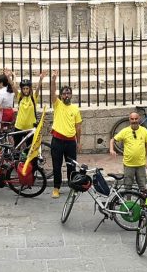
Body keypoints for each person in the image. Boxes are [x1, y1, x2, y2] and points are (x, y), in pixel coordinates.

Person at [49, 70, 82, 198]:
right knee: (56, 166)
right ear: (61, 96)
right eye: (64, 93)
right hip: (57, 141)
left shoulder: (75, 109)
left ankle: (72, 186)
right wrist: (53, 80)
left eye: (68, 93)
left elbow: (78, 127)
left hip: (70, 142)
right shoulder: (57, 104)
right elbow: (52, 93)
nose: (66, 95)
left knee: (71, 166)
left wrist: (78, 143)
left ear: (71, 95)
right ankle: (56, 188)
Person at [109, 111, 147, 192]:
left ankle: (142, 205)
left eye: (136, 119)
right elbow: (112, 140)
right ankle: (128, 204)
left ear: (139, 119)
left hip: (141, 164)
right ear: (129, 120)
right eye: (132, 119)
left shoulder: (144, 131)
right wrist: (111, 149)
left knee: (142, 187)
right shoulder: (125, 131)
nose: (134, 121)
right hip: (128, 164)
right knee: (128, 187)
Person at [12, 72, 46, 147]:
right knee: (16, 147)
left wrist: (40, 79)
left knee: (29, 148)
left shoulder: (33, 98)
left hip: (30, 127)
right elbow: (13, 87)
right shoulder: (20, 97)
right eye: (23, 89)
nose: (25, 90)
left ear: (30, 89)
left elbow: (38, 88)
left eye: (27, 88)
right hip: (19, 127)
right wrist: (9, 77)